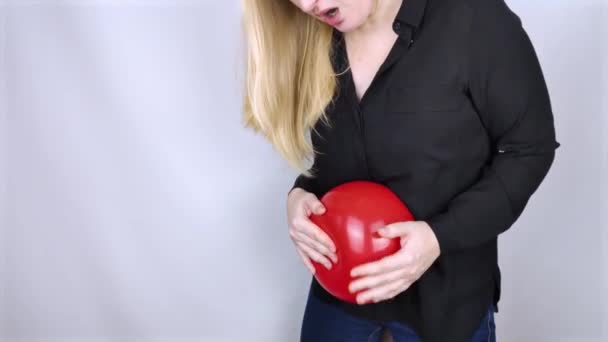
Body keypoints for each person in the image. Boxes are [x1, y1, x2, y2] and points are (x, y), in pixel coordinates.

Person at [241, 0, 560, 341]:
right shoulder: (314, 32)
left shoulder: (473, 17)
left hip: (444, 307)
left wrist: (439, 236)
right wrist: (301, 194)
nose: (306, 4)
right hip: (338, 300)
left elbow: (529, 151)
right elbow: (341, 153)